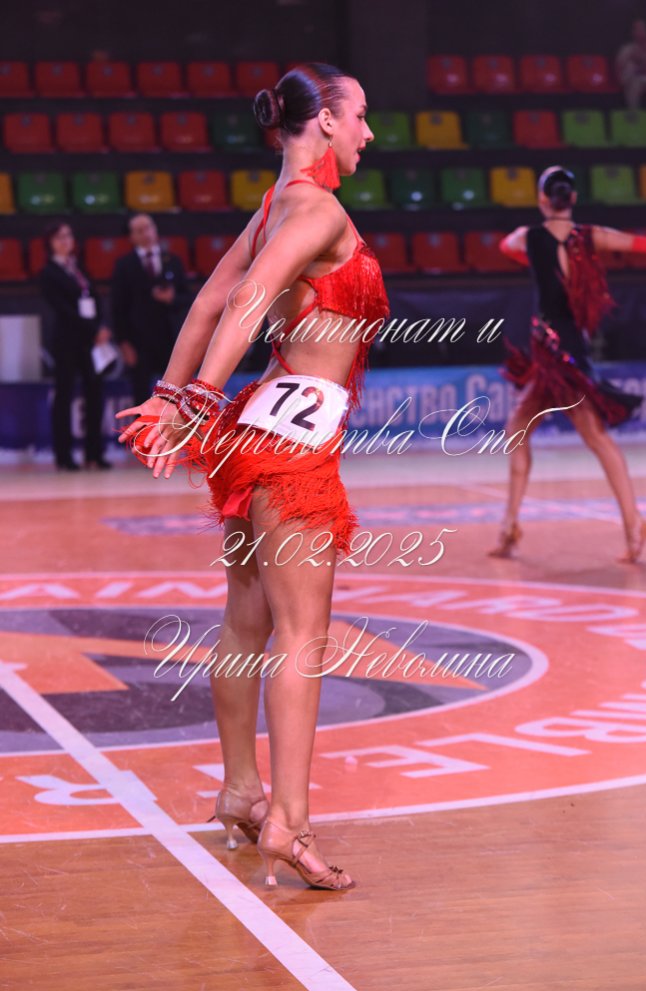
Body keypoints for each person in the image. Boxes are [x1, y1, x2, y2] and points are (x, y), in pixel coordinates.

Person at [115, 63, 389, 890]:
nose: (369, 132)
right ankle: (289, 823)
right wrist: (194, 396)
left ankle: (241, 787)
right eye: (361, 115)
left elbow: (209, 301)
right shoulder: (320, 211)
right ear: (326, 121)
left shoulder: (275, 205)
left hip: (257, 432)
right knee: (303, 636)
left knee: (245, 621)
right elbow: (244, 302)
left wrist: (174, 393)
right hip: (293, 450)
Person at [491, 165, 646, 564]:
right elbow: (644, 245)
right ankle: (510, 526)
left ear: (542, 199)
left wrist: (534, 260)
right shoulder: (591, 236)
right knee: (520, 428)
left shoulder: (528, 237)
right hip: (559, 351)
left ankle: (634, 524)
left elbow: (505, 247)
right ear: (572, 198)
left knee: (593, 436)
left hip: (557, 354)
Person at [39, 221, 113, 471]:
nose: (65, 241)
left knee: (95, 393)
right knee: (64, 395)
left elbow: (94, 299)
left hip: (90, 343)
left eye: (68, 236)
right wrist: (93, 329)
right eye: (59, 237)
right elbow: (64, 309)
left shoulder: (78, 267)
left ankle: (94, 454)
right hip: (67, 342)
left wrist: (101, 326)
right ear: (50, 242)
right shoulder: (49, 273)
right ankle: (64, 455)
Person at [111, 214, 192, 405]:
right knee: (140, 393)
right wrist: (124, 343)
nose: (146, 234)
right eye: (139, 231)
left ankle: (174, 424)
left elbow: (188, 298)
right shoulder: (124, 265)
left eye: (148, 228)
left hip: (170, 338)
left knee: (174, 391)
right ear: (132, 237)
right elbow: (118, 308)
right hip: (139, 341)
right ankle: (141, 426)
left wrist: (172, 299)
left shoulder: (172, 260)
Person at [615, 19, 646, 113]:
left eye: (642, 29)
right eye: (637, 29)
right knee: (635, 86)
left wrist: (642, 60)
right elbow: (619, 68)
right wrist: (630, 57)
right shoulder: (626, 49)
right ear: (633, 32)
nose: (640, 32)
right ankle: (634, 116)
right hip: (631, 79)